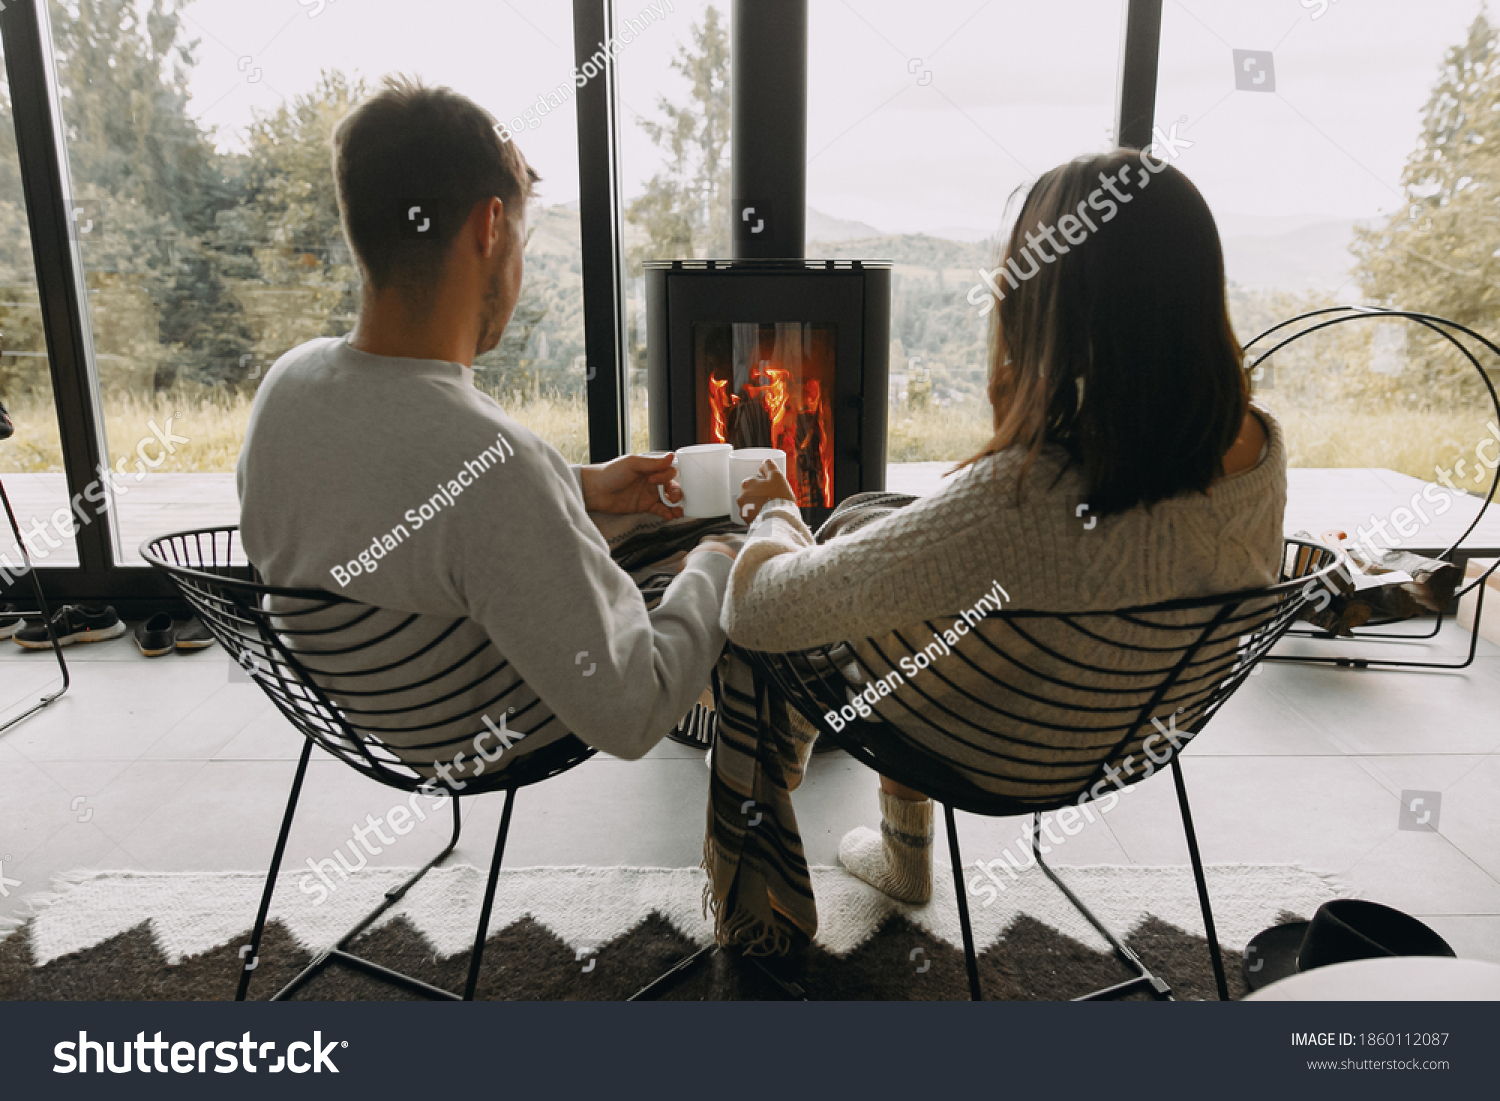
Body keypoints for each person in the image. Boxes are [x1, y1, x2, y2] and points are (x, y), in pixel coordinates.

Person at [722, 150, 1285, 918]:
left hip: (994, 743)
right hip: (1128, 726)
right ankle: (896, 851)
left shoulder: (1023, 495)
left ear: (1048, 301)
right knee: (879, 517)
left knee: (790, 575)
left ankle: (819, 881)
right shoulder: (1258, 446)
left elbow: (758, 609)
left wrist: (777, 512)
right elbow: (1101, 555)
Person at [238, 76, 736, 776]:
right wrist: (718, 561)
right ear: (490, 226)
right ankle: (762, 858)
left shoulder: (287, 382)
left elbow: (416, 501)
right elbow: (631, 715)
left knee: (660, 530)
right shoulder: (496, 464)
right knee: (744, 559)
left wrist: (583, 486)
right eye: (522, 240)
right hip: (473, 728)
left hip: (352, 700)